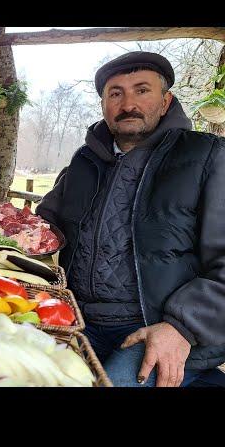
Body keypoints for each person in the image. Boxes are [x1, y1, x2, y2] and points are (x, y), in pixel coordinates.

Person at [36, 51, 225, 387]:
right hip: (76, 317)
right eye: (115, 93)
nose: (128, 104)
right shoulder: (84, 161)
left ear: (166, 102)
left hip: (157, 326)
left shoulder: (207, 156)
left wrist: (182, 326)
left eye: (142, 90)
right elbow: (46, 225)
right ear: (104, 106)